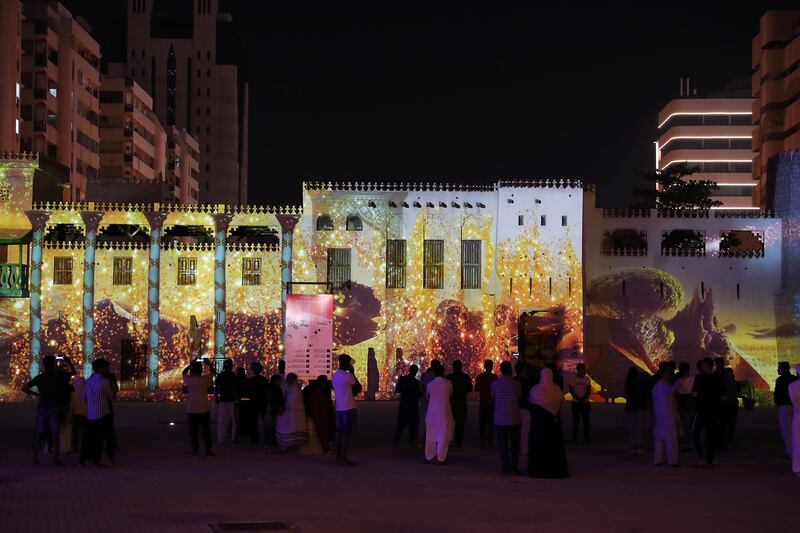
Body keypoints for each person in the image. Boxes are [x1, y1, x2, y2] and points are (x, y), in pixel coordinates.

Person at [22, 354, 76, 466]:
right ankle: (56, 459)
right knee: (55, 434)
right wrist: (68, 361)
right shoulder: (60, 376)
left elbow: (25, 388)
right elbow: (73, 372)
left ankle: (35, 458)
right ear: (53, 364)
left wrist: (37, 394)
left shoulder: (40, 377)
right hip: (56, 408)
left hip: (43, 407)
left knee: (39, 432)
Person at [528, 367, 568, 478]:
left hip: (538, 427)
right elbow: (560, 403)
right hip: (553, 428)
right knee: (553, 450)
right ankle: (554, 470)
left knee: (539, 448)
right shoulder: (556, 390)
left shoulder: (535, 390)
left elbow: (531, 405)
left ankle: (537, 471)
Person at [81, 358, 117, 467]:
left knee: (90, 437)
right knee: (101, 438)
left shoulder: (88, 381)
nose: (108, 369)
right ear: (101, 368)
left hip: (91, 414)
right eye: (106, 367)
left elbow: (84, 397)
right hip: (103, 413)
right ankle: (97, 461)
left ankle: (86, 459)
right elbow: (110, 396)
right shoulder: (105, 381)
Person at [492, 361, 523, 475]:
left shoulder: (495, 384)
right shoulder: (516, 384)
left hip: (500, 418)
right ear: (511, 370)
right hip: (514, 417)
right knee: (515, 445)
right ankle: (514, 468)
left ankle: (505, 468)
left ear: (500, 370)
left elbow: (493, 397)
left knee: (503, 444)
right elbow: (519, 397)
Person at [692, 357, 723, 467]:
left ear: (704, 365)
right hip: (714, 411)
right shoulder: (718, 379)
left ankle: (700, 457)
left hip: (701, 411)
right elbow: (722, 396)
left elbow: (694, 394)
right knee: (711, 436)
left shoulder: (699, 378)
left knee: (696, 434)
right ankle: (710, 460)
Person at [182, 358, 216, 457]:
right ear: (201, 370)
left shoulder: (189, 380)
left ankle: (195, 451)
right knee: (206, 431)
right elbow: (213, 372)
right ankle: (208, 450)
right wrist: (209, 364)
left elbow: (184, 372)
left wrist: (190, 365)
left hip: (192, 409)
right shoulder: (204, 379)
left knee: (193, 432)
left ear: (192, 370)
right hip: (204, 408)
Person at [332, 354, 362, 466]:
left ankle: (337, 458)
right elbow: (359, 387)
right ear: (347, 364)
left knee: (339, 433)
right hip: (348, 407)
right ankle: (343, 458)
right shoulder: (348, 376)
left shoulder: (335, 375)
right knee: (346, 434)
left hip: (339, 408)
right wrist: (353, 373)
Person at [652, 366, 684, 466]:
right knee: (671, 439)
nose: (669, 376)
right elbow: (671, 390)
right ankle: (672, 461)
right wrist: (680, 381)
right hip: (668, 416)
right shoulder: (663, 386)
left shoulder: (656, 386)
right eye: (668, 373)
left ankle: (658, 460)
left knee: (659, 440)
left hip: (659, 416)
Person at [424, 364, 454, 465]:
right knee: (443, 435)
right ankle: (441, 458)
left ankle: (429, 456)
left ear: (434, 373)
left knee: (430, 435)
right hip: (444, 412)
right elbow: (450, 395)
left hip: (432, 412)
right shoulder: (448, 383)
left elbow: (427, 398)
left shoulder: (430, 384)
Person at [276, 373, 306, 453]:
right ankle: (289, 447)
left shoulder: (295, 389)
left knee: (292, 430)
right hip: (292, 413)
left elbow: (291, 401)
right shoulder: (291, 388)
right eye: (287, 378)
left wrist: (283, 409)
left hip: (294, 413)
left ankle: (291, 447)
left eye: (290, 378)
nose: (288, 380)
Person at [394, 364, 422, 447]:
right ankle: (411, 441)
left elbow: (397, 390)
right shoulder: (416, 382)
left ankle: (396, 441)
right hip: (413, 405)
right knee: (413, 425)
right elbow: (419, 394)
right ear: (416, 372)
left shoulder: (402, 379)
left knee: (401, 424)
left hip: (404, 404)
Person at [447, 360, 473, 448]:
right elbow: (470, 388)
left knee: (450, 422)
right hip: (461, 403)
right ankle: (458, 441)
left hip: (451, 403)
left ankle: (449, 439)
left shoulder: (450, 377)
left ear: (454, 367)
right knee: (460, 423)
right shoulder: (465, 377)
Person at [247, 361, 274, 447]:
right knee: (265, 422)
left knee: (253, 421)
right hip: (262, 402)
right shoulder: (264, 380)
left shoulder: (251, 380)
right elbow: (267, 391)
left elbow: (248, 392)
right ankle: (267, 439)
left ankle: (254, 439)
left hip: (253, 403)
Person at [306, 375, 334, 453]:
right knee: (323, 432)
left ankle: (325, 448)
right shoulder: (320, 392)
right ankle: (325, 448)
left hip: (319, 415)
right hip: (321, 415)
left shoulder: (316, 391)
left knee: (323, 432)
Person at [775, 361, 797, 459]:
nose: (778, 369)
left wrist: (778, 403)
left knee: (786, 430)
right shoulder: (794, 379)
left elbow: (777, 394)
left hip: (784, 406)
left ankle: (790, 452)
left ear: (784, 369)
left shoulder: (780, 380)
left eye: (779, 368)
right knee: (794, 430)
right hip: (795, 407)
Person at [624, 367, 648, 454]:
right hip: (639, 406)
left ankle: (632, 445)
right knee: (639, 427)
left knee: (632, 427)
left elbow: (627, 393)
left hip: (630, 406)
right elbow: (644, 394)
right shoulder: (640, 383)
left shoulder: (628, 383)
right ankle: (638, 445)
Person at [475, 359, 498, 447]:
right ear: (492, 367)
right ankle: (489, 440)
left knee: (482, 422)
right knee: (490, 422)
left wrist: (482, 390)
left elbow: (476, 388)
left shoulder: (480, 376)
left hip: (483, 402)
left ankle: (482, 441)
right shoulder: (494, 377)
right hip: (492, 402)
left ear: (484, 366)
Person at [215, 359, 238, 445]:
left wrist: (217, 397)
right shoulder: (232, 375)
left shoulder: (220, 375)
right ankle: (233, 438)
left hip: (223, 399)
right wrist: (236, 398)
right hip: (230, 399)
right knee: (233, 419)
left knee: (221, 420)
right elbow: (234, 387)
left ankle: (220, 439)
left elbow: (217, 388)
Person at [568, 363, 591, 443]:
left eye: (584, 368)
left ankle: (587, 438)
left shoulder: (587, 379)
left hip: (585, 402)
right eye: (582, 368)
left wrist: (583, 399)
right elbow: (571, 390)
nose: (583, 370)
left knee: (586, 421)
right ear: (578, 369)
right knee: (575, 421)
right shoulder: (573, 379)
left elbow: (588, 390)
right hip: (575, 403)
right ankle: (574, 438)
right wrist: (578, 398)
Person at [676, 362, 695, 451]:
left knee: (685, 425)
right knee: (690, 425)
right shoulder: (693, 379)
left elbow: (678, 392)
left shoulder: (679, 380)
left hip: (684, 405)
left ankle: (687, 443)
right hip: (691, 404)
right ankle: (691, 442)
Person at [515, 362, 532, 456]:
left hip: (515, 408)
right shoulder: (527, 381)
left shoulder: (514, 380)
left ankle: (515, 447)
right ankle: (524, 448)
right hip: (525, 407)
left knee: (515, 428)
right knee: (525, 430)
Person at [235, 366, 255, 442]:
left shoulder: (236, 381)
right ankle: (245, 431)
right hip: (247, 402)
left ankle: (240, 432)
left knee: (239, 417)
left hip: (240, 402)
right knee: (245, 418)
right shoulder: (247, 381)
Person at [721, 367, 740, 446]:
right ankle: (728, 438)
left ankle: (726, 438)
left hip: (728, 404)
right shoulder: (734, 383)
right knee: (730, 422)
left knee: (727, 422)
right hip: (731, 404)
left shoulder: (724, 383)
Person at [70, 375, 87, 456]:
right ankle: (84, 446)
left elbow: (72, 406)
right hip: (85, 415)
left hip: (76, 414)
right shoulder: (87, 393)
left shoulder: (73, 394)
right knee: (84, 432)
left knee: (75, 432)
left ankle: (75, 447)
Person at [789, 364, 800, 477]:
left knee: (797, 442)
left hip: (798, 417)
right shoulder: (793, 386)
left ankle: (797, 468)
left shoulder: (792, 386)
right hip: (798, 417)